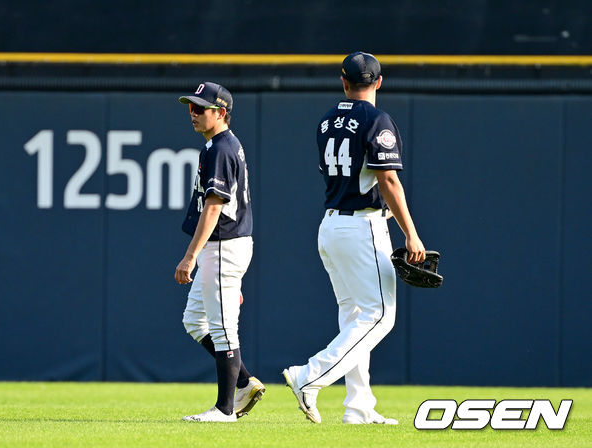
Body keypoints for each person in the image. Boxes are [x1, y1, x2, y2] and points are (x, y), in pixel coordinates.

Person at [282, 52, 425, 424]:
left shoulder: (327, 121)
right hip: (362, 228)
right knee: (380, 316)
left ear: (343, 82)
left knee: (355, 315)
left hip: (332, 225)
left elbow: (352, 179)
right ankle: (309, 377)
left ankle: (359, 408)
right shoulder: (378, 119)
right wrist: (410, 233)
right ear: (379, 82)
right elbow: (387, 179)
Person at [175, 82, 264, 423]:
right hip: (225, 245)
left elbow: (213, 207)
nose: (193, 113)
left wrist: (190, 256)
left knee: (224, 327)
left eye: (201, 108)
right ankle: (243, 382)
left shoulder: (222, 148)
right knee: (194, 321)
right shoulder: (219, 145)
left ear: (221, 112)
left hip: (224, 245)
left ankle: (225, 409)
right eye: (191, 107)